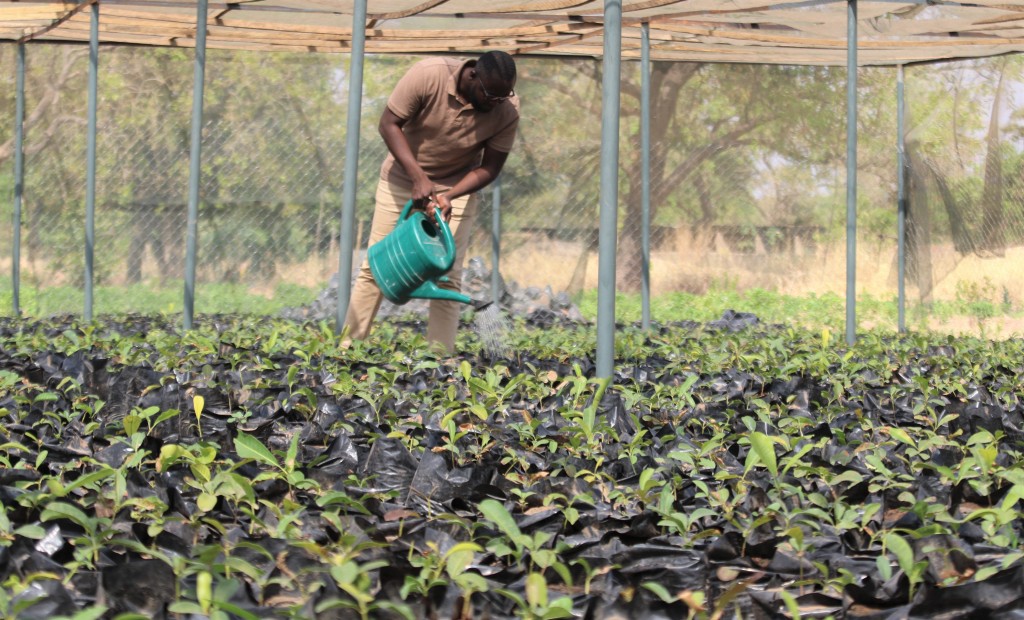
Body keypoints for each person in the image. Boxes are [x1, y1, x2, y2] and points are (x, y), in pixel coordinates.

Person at [342, 51, 519, 353]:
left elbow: (490, 168)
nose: (496, 103)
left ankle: (440, 361)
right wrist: (418, 177)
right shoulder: (429, 74)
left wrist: (449, 195)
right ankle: (347, 349)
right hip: (402, 179)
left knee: (448, 276)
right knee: (376, 264)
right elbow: (388, 124)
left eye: (504, 97)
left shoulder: (507, 109)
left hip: (456, 188)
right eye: (491, 95)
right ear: (473, 75)